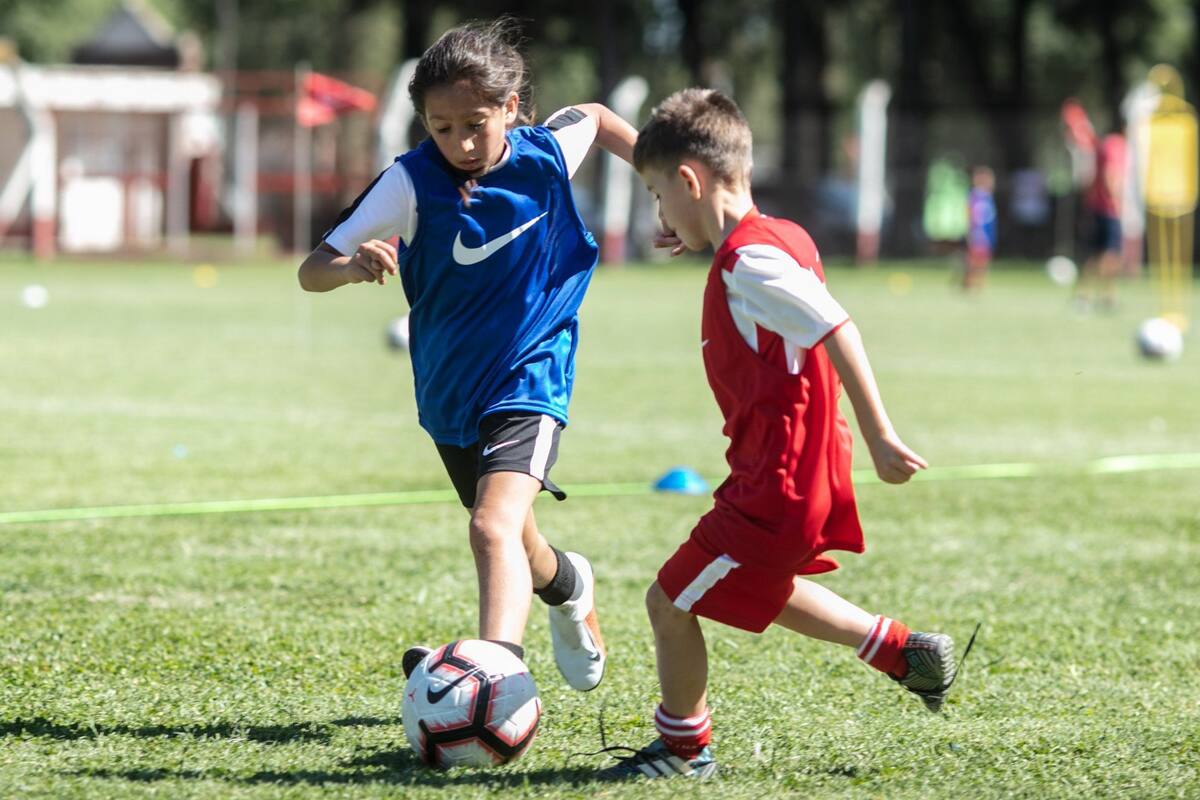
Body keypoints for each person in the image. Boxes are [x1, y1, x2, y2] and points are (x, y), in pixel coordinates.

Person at [598, 88, 962, 780]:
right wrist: (696, 228)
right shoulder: (778, 238)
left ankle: (683, 751)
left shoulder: (749, 264)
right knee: (753, 581)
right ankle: (901, 651)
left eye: (657, 196)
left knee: (669, 602)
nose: (658, 215)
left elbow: (837, 327)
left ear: (689, 181)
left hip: (778, 481)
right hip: (801, 472)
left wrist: (883, 434)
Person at [297, 19, 638, 694]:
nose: (459, 142)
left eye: (475, 124)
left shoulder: (544, 155)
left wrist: (659, 183)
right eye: (441, 127)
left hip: (532, 375)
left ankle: (494, 679)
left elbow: (596, 118)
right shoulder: (410, 182)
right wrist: (351, 267)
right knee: (516, 539)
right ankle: (570, 589)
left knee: (491, 527)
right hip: (452, 394)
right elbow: (313, 267)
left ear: (512, 108)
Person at [1061, 99, 1124, 311]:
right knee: (1109, 254)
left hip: (1096, 206)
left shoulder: (1104, 144)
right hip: (1108, 208)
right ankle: (1105, 296)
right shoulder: (1116, 144)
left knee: (1095, 253)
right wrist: (1118, 201)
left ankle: (1087, 295)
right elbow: (1110, 176)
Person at [963, 165, 997, 291]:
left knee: (984, 260)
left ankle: (979, 284)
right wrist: (971, 231)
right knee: (974, 260)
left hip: (988, 233)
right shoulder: (974, 196)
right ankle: (968, 283)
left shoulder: (988, 196)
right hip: (977, 232)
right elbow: (970, 214)